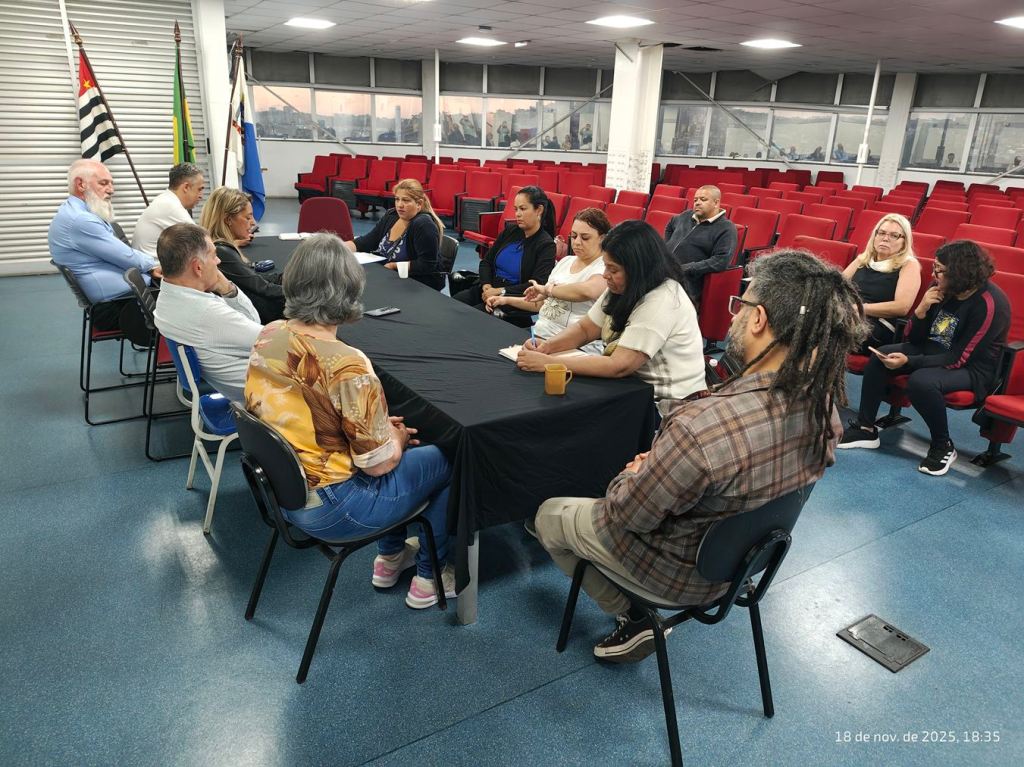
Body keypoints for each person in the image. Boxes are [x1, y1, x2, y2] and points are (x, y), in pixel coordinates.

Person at [534, 250, 866, 662]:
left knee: (549, 516)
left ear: (759, 319)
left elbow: (628, 516)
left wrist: (633, 474)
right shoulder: (823, 410)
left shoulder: (702, 426)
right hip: (744, 567)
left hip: (675, 576)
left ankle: (634, 615)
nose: (734, 316)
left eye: (741, 306)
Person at [245, 234, 455, 608]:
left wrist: (379, 430)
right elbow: (378, 465)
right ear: (349, 290)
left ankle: (390, 559)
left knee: (393, 447)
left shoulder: (270, 333)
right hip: (338, 510)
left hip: (286, 496)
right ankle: (429, 577)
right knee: (448, 458)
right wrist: (395, 440)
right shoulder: (348, 364)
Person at [839, 240, 1011, 476]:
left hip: (973, 368)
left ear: (959, 272)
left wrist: (909, 362)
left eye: (940, 270)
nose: (934, 274)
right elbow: (917, 338)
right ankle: (866, 428)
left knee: (922, 381)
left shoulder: (990, 304)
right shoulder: (942, 288)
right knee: (881, 356)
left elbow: (959, 357)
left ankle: (943, 445)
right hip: (935, 350)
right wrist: (921, 312)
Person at [516, 220, 706, 415]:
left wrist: (548, 363)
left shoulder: (662, 300)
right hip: (631, 389)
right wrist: (548, 347)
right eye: (605, 266)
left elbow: (619, 366)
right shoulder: (623, 286)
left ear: (638, 268)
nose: (605, 275)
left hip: (668, 406)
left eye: (613, 269)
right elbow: (586, 329)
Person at [49, 158, 160, 345]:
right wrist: (153, 266)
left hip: (118, 299)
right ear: (81, 184)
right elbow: (125, 256)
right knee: (186, 298)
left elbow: (121, 254)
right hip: (116, 307)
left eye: (111, 183)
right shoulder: (80, 220)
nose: (111, 190)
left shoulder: (78, 212)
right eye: (103, 183)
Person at [152, 223, 262, 403]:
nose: (218, 261)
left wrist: (227, 289)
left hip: (238, 384)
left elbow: (251, 323)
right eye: (214, 255)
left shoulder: (166, 296)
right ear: (198, 267)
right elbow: (268, 340)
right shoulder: (208, 314)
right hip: (262, 394)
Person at [485, 208, 611, 354]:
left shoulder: (604, 267)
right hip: (540, 336)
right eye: (574, 236)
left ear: (602, 239)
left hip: (576, 346)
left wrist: (547, 290)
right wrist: (505, 300)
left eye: (585, 238)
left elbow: (588, 291)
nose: (577, 242)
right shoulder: (565, 262)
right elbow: (541, 304)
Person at [453, 186, 556, 322]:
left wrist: (500, 291)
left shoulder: (546, 245)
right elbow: (486, 262)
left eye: (523, 209)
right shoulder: (510, 231)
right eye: (516, 209)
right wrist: (487, 286)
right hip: (489, 288)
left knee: (469, 318)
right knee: (453, 305)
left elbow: (535, 286)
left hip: (513, 299)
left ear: (539, 210)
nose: (517, 214)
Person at [199, 187, 284, 324]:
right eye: (248, 217)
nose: (253, 222)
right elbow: (264, 288)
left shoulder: (219, 248)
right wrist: (303, 291)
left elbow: (252, 279)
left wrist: (284, 278)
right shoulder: (222, 252)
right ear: (228, 220)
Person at [344, 179, 446, 291]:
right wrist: (342, 247)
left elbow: (427, 265)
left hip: (417, 284)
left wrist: (394, 266)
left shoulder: (423, 224)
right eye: (397, 199)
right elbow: (368, 241)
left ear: (419, 204)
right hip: (388, 276)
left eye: (406, 200)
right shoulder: (391, 215)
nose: (400, 205)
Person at [841, 214, 922, 352]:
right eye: (882, 233)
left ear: (904, 242)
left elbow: (902, 307)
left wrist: (860, 308)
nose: (885, 238)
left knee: (830, 332)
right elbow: (837, 287)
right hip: (849, 315)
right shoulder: (862, 259)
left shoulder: (909, 265)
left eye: (894, 235)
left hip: (878, 325)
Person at [663, 185, 739, 305]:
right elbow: (670, 224)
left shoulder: (726, 228)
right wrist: (667, 246)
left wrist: (688, 268)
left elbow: (721, 261)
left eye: (703, 199)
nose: (697, 203)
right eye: (695, 200)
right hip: (666, 273)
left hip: (688, 284)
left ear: (716, 203)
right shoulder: (686, 216)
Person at [131, 162, 205, 256]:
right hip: (155, 264)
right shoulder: (170, 206)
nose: (201, 196)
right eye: (199, 189)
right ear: (186, 187)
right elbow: (203, 242)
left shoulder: (166, 199)